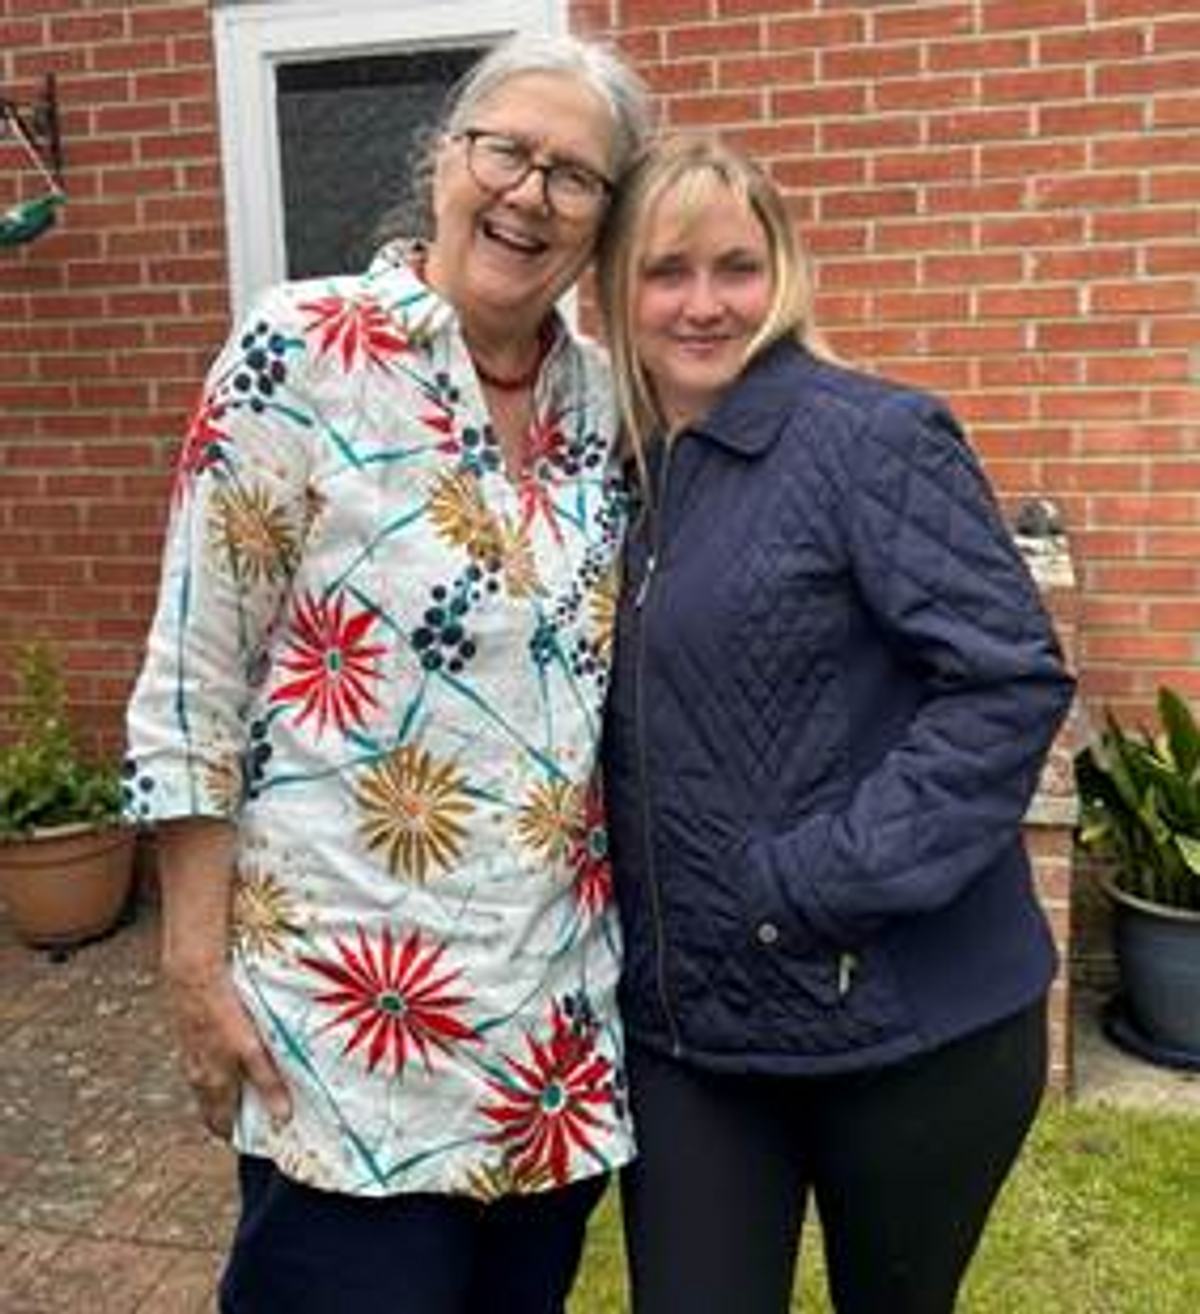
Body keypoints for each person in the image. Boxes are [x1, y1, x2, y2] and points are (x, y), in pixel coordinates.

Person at [123, 33, 651, 1314]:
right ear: (445, 162)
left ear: (602, 225)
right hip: (345, 1036)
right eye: (504, 152)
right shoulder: (302, 353)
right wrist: (194, 967)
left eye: (573, 176)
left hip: (551, 1039)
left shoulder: (607, 409)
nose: (529, 193)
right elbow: (195, 675)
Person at [596, 134, 1076, 1314]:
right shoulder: (612, 474)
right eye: (666, 272)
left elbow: (1006, 680)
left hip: (910, 1030)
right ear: (615, 292)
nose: (703, 304)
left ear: (785, 275)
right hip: (691, 1035)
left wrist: (812, 884)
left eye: (736, 267)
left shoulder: (868, 440)